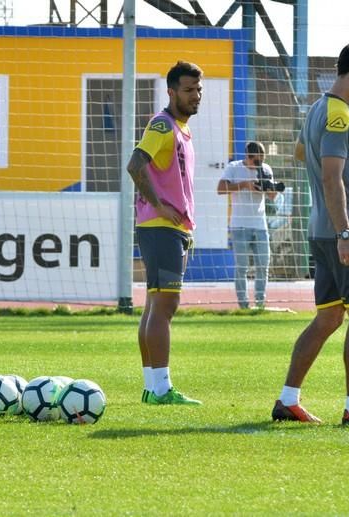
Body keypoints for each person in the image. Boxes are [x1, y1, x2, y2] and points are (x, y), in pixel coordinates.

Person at [271, 38, 349, 424]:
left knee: (328, 318)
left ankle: (288, 400)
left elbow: (302, 153)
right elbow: (330, 176)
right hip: (346, 230)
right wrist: (346, 235)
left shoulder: (317, 108)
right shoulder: (339, 113)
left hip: (320, 230)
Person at [126, 61, 203, 405]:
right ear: (171, 92)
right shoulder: (163, 125)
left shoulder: (182, 129)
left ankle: (151, 386)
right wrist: (158, 205)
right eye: (188, 90)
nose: (195, 96)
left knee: (155, 305)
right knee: (165, 305)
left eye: (198, 90)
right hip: (161, 229)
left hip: (169, 230)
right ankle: (161, 388)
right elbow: (135, 164)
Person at [217, 141, 279, 309]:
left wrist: (266, 188)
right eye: (255, 160)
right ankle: (243, 305)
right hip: (239, 225)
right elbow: (221, 189)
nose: (257, 164)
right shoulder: (234, 167)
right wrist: (244, 185)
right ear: (248, 156)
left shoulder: (265, 169)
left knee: (263, 265)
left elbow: (273, 196)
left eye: (261, 159)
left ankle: (260, 304)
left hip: (260, 224)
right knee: (242, 267)